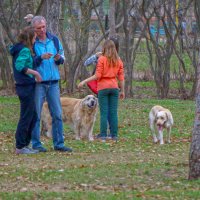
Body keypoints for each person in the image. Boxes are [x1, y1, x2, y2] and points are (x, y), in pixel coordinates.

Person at [31, 16, 72, 152]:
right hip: (39, 83)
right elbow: (29, 63)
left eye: (43, 27)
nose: (42, 30)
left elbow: (62, 55)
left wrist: (59, 58)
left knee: (57, 114)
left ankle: (59, 144)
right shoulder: (31, 42)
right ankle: (36, 144)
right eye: (38, 28)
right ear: (34, 29)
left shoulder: (54, 40)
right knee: (36, 114)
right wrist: (40, 58)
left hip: (54, 82)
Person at [78, 39, 125, 142]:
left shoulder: (102, 59)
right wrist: (122, 91)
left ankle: (103, 135)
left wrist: (84, 81)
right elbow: (121, 78)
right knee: (113, 112)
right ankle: (114, 135)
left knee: (104, 112)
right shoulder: (119, 61)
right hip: (114, 88)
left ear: (104, 48)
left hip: (103, 88)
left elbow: (97, 75)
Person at [9, 26, 42, 154]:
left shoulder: (20, 49)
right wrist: (36, 73)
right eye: (34, 38)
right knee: (27, 116)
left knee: (32, 115)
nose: (35, 40)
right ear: (29, 38)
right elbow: (19, 65)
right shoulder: (24, 50)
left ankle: (24, 144)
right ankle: (20, 146)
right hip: (25, 86)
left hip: (25, 86)